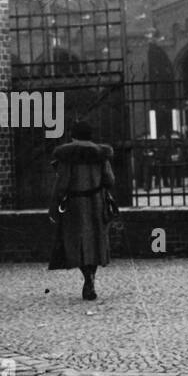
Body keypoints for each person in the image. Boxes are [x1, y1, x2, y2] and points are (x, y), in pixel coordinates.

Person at [48, 122, 115, 300]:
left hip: (75, 203)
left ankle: (87, 278)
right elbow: (110, 180)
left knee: (78, 242)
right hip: (96, 201)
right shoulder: (101, 154)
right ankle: (91, 277)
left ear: (73, 136)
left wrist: (54, 207)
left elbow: (61, 184)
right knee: (94, 241)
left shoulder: (67, 155)